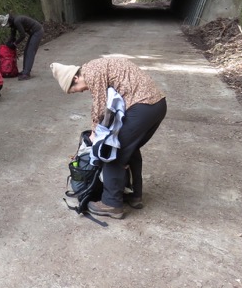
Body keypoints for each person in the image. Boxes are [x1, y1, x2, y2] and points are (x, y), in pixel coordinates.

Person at [51, 58, 167, 219]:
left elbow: (100, 107)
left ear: (75, 78)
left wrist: (94, 134)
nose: (80, 91)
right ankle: (135, 195)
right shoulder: (97, 67)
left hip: (142, 107)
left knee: (112, 151)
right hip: (157, 105)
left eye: (75, 89)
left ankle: (111, 204)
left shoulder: (91, 72)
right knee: (130, 149)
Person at [0, 13, 45, 81]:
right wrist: (8, 44)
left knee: (30, 52)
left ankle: (26, 73)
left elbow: (22, 35)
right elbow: (12, 36)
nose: (7, 26)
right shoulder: (13, 23)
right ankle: (25, 71)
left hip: (37, 31)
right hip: (33, 33)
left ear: (8, 21)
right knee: (26, 51)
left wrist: (15, 43)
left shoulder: (17, 21)